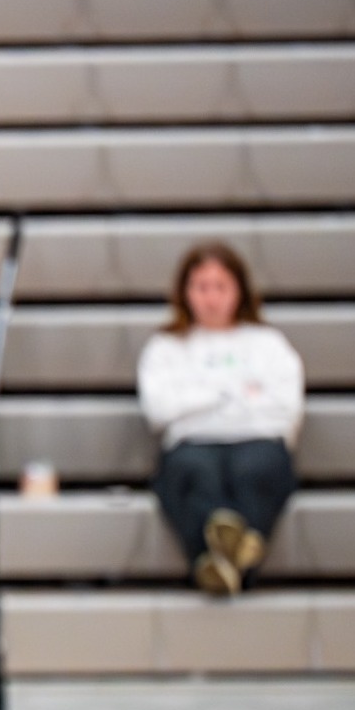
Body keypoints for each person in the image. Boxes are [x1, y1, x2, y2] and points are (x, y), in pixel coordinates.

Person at [138, 242, 304, 596]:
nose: (211, 298)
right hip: (191, 445)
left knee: (254, 470)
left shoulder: (268, 343)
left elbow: (285, 408)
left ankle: (215, 565)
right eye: (201, 287)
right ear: (185, 292)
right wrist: (236, 393)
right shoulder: (165, 347)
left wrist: (196, 396)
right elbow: (159, 410)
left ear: (239, 290)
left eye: (221, 287)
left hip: (259, 441)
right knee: (195, 472)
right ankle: (238, 560)